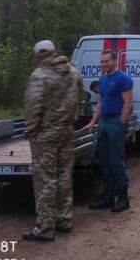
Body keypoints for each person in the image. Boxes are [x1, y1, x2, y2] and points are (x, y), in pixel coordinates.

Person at [22, 40, 85, 242]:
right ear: (53, 52)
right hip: (66, 130)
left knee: (45, 178)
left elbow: (33, 107)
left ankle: (44, 227)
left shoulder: (39, 76)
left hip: (46, 134)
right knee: (64, 174)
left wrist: (31, 131)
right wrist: (72, 118)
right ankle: (64, 220)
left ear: (39, 55)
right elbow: (81, 97)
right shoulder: (73, 73)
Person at [86, 49, 133, 212]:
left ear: (115, 61)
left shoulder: (124, 79)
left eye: (106, 61)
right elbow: (101, 102)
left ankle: (123, 197)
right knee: (104, 161)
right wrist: (93, 122)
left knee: (116, 161)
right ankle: (108, 196)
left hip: (116, 121)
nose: (104, 64)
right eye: (102, 61)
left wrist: (121, 121)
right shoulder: (103, 80)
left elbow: (128, 103)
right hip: (104, 122)